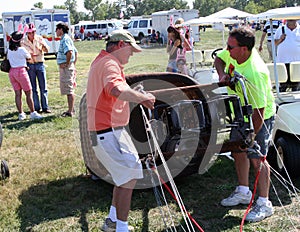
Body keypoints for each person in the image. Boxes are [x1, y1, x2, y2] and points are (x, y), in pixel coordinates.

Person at [86, 30, 155, 231]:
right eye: (130, 50)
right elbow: (115, 89)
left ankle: (112, 221)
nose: (131, 54)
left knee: (123, 178)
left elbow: (116, 90)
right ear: (120, 45)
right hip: (108, 132)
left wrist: (135, 94)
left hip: (108, 131)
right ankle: (121, 228)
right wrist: (142, 98)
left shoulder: (102, 61)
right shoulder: (109, 64)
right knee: (129, 177)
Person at [214, 27, 276, 222]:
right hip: (241, 112)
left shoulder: (255, 72)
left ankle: (264, 203)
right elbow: (219, 58)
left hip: (260, 116)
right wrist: (222, 74)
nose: (227, 49)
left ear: (244, 49)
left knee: (257, 157)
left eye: (230, 47)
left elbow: (259, 111)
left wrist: (250, 136)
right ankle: (243, 191)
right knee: (237, 151)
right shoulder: (234, 53)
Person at [7, 31, 43, 121]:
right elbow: (29, 57)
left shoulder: (9, 50)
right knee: (28, 93)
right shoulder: (22, 49)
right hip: (21, 71)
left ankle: (21, 113)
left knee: (17, 94)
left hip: (12, 72)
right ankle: (32, 112)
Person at [22, 23, 51, 113]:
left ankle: (45, 107)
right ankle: (36, 107)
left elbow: (47, 50)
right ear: (27, 33)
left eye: (34, 32)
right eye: (30, 32)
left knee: (43, 87)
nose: (32, 34)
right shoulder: (23, 42)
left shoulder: (39, 38)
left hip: (40, 64)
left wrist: (44, 46)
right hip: (30, 65)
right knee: (33, 88)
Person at [56, 22, 78, 117]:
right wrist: (73, 64)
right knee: (69, 88)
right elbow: (76, 53)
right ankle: (71, 108)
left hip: (66, 68)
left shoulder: (65, 39)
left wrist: (68, 64)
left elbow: (69, 52)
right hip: (69, 67)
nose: (56, 32)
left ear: (61, 29)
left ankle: (70, 111)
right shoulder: (67, 39)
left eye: (57, 29)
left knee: (69, 89)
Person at [274, 19, 300, 91]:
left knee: (296, 86)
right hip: (283, 61)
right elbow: (274, 43)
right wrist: (280, 39)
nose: (291, 21)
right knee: (283, 84)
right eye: (289, 19)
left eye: (293, 19)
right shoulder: (280, 29)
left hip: (297, 62)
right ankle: (282, 101)